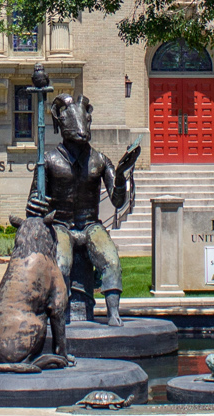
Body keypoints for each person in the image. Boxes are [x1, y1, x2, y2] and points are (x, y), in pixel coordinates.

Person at [24, 93, 140, 325]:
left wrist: (119, 176)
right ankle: (60, 314)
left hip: (90, 224)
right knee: (62, 264)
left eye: (84, 125)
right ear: (62, 125)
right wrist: (35, 206)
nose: (81, 132)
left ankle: (113, 313)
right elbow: (33, 204)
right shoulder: (48, 161)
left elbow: (118, 202)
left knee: (111, 260)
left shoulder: (99, 160)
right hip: (61, 225)